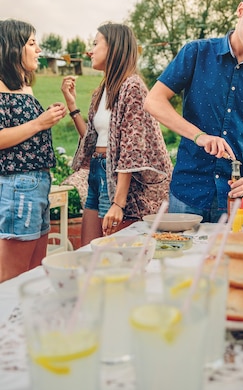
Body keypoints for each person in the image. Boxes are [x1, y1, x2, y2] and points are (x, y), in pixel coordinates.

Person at [144, 0, 243, 223]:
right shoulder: (196, 53)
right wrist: (199, 136)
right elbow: (154, 101)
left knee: (233, 262)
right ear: (241, 10)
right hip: (187, 195)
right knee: (181, 261)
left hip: (237, 199)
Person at [61, 22, 172, 246]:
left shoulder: (133, 87)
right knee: (89, 251)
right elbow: (92, 141)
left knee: (112, 254)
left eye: (95, 43)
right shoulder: (101, 90)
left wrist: (119, 203)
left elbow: (132, 150)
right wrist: (72, 107)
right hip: (98, 172)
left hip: (120, 182)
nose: (90, 50)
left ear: (113, 47)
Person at [0, 19, 67, 282]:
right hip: (19, 184)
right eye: (31, 43)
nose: (38, 50)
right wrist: (40, 122)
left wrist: (47, 116)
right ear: (12, 48)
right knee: (13, 278)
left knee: (36, 271)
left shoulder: (22, 87)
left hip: (37, 182)